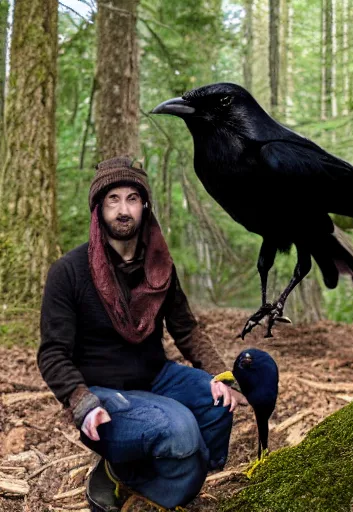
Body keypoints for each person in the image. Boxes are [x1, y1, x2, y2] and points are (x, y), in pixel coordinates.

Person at [38, 156, 246, 512]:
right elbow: (52, 353)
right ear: (98, 209)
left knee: (218, 406)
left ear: (144, 205)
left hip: (155, 377)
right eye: (113, 200)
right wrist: (81, 402)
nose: (123, 210)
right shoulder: (68, 272)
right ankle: (126, 468)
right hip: (102, 394)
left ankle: (130, 475)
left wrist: (220, 375)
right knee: (179, 431)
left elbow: (187, 329)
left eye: (132, 198)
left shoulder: (160, 267)